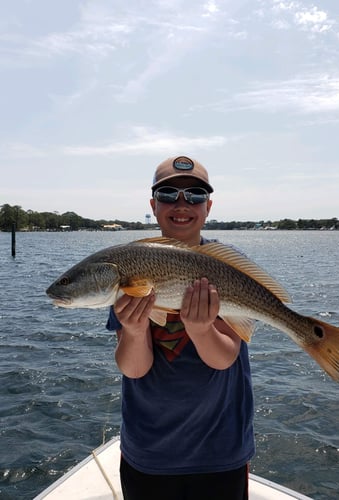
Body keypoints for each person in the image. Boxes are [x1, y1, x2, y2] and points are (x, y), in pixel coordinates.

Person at [106, 155, 255, 500]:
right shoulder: (130, 266)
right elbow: (134, 367)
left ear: (209, 207)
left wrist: (202, 330)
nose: (182, 204)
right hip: (149, 452)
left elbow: (224, 358)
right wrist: (134, 330)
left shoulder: (225, 265)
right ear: (154, 206)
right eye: (169, 194)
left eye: (196, 195)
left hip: (221, 450)